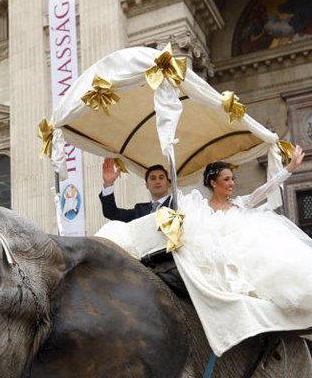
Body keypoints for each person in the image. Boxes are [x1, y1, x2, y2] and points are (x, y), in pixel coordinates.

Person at [174, 144, 312, 355]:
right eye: (226, 179)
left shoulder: (240, 203)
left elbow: (266, 188)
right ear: (213, 182)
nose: (232, 183)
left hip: (245, 258)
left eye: (233, 179)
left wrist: (290, 168)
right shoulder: (201, 210)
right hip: (218, 262)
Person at [99, 159, 172, 222]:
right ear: (147, 185)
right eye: (153, 178)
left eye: (161, 178)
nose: (157, 181)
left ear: (168, 184)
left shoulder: (178, 204)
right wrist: (108, 183)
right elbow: (112, 213)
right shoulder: (139, 210)